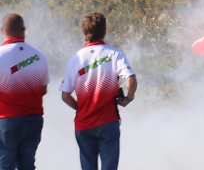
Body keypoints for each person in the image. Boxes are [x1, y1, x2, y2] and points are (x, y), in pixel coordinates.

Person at [60, 12, 136, 170]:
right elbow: (131, 79)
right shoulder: (114, 53)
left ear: (84, 32)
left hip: (84, 125)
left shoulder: (75, 59)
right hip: (108, 122)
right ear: (104, 31)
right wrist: (128, 98)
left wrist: (80, 108)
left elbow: (65, 95)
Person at [0, 13, 49, 170]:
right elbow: (43, 89)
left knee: (5, 165)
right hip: (34, 119)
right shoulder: (39, 56)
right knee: (27, 165)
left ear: (2, 30)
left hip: (7, 120)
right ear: (23, 30)